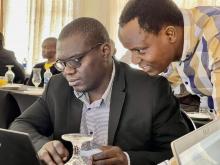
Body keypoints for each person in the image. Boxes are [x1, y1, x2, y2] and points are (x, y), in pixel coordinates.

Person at [10, 17, 189, 165]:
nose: (67, 71)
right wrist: (42, 144)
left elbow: (182, 153)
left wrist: (128, 159)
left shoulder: (150, 89)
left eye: (75, 60)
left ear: (105, 51)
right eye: (62, 63)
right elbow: (21, 125)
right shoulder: (58, 86)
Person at [118, 0, 220, 116]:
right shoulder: (173, 44)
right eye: (130, 50)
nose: (134, 60)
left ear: (170, 35)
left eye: (140, 50)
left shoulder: (215, 37)